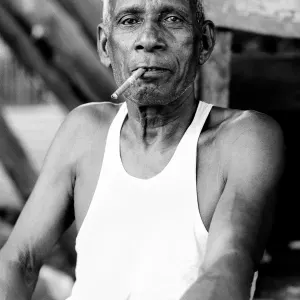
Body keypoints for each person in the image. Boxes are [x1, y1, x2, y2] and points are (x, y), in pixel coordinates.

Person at [0, 0, 285, 299]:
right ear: (105, 46)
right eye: (129, 20)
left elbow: (229, 265)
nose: (149, 40)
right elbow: (19, 260)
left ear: (204, 43)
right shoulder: (83, 131)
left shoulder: (242, 139)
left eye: (172, 19)